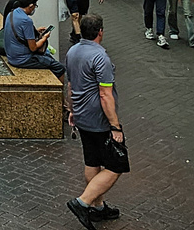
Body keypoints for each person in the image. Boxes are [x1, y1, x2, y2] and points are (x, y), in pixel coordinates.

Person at [64, 14, 126, 229]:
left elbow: (71, 85)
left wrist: (72, 109)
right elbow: (105, 95)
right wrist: (115, 126)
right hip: (99, 119)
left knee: (92, 161)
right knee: (116, 164)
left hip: (81, 116)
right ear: (100, 32)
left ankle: (98, 208)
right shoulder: (101, 58)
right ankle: (83, 202)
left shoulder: (72, 52)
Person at [2, 0, 65, 78]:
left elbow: (19, 32)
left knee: (47, 56)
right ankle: (61, 90)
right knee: (59, 68)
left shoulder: (11, 14)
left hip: (11, 55)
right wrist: (44, 38)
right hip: (22, 59)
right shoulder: (26, 20)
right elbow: (33, 47)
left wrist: (35, 31)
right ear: (31, 6)